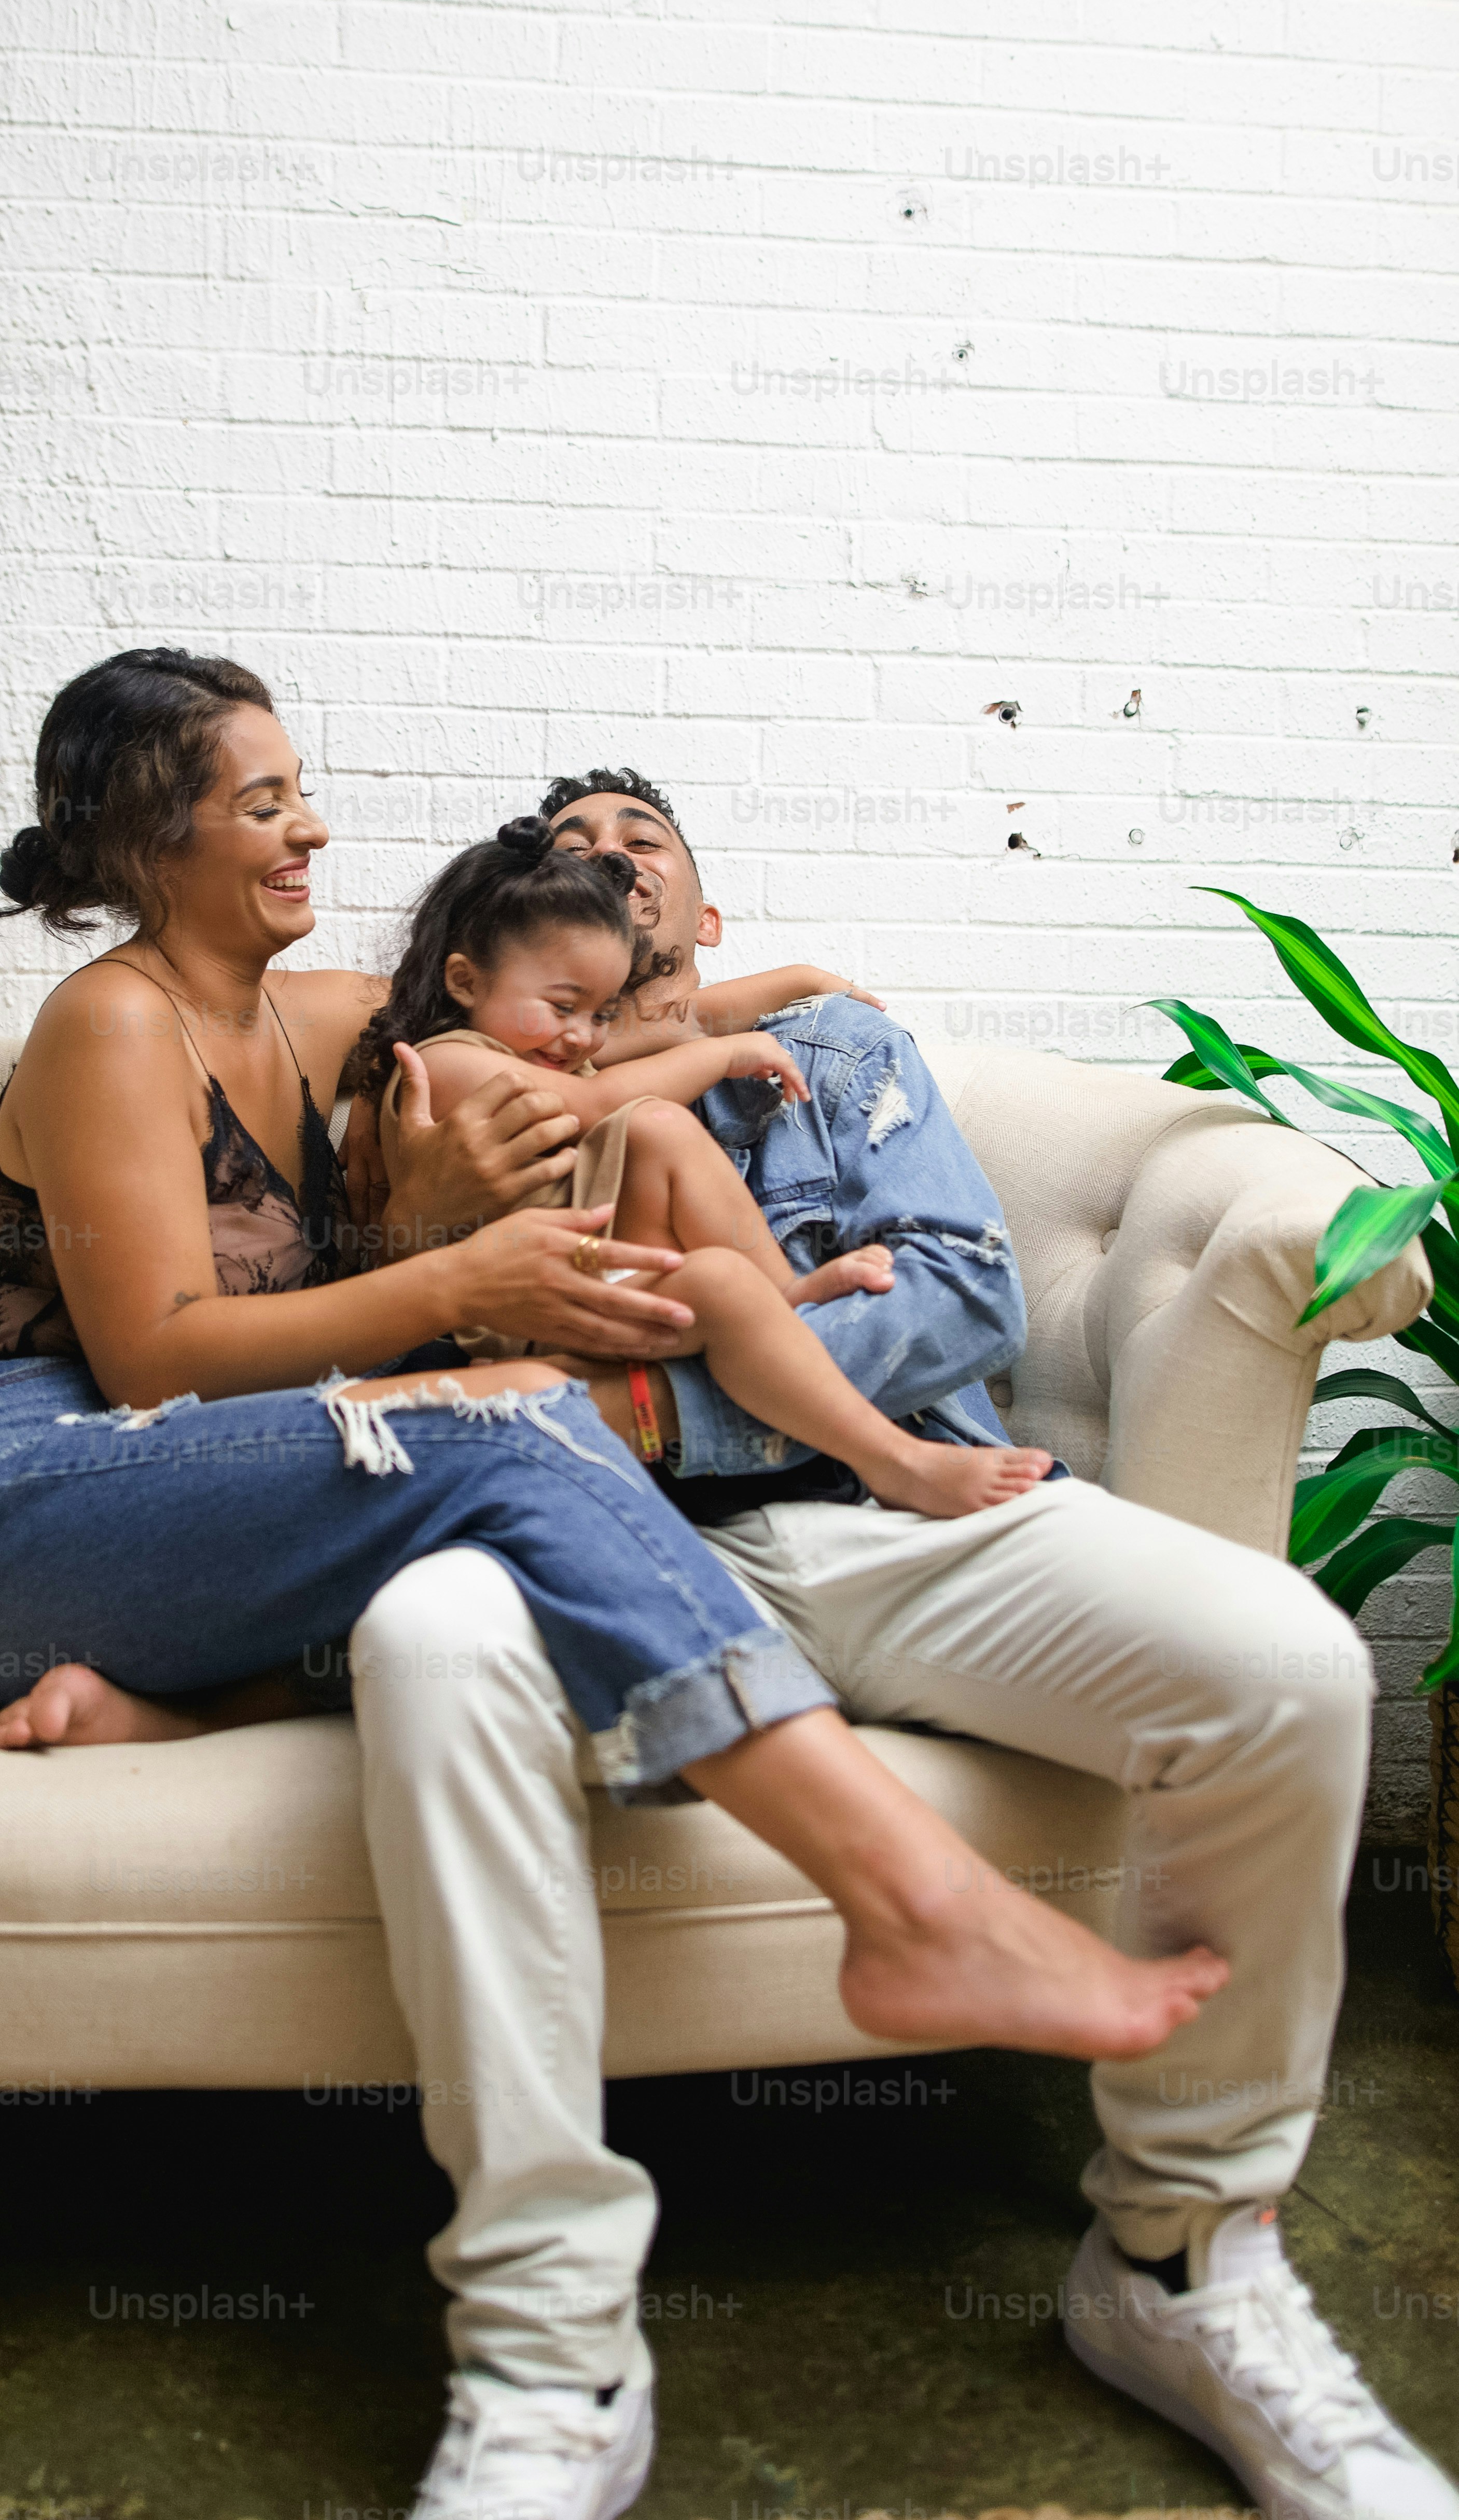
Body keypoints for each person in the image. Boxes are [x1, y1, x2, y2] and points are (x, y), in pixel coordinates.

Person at [339, 759, 1447, 2520]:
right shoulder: (463, 1086)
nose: (610, 875)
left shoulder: (844, 1054)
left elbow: (959, 1297)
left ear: (702, 917)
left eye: (647, 850)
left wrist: (662, 1409)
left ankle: (1179, 2263)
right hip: (562, 1532)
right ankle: (551, 2347)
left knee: (1289, 1668)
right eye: (571, 866)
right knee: (423, 1637)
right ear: (512, 950)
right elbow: (407, 1358)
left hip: (884, 1516)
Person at [358, 812, 1052, 1515]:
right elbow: (602, 1096)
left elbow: (685, 1016)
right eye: (579, 852)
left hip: (612, 1308)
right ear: (467, 980)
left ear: (706, 919)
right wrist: (723, 1056)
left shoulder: (550, 1032)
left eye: (639, 843)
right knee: (653, 1124)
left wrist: (800, 979)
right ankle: (860, 1425)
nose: (582, 1034)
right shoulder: (447, 1062)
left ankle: (783, 1309)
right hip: (529, 1311)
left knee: (720, 1274)